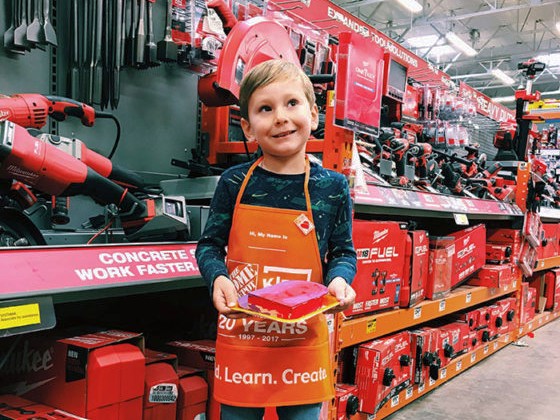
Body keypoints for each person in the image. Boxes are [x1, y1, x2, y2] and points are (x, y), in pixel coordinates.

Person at [195, 59, 357, 420]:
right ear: (248, 127)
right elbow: (208, 246)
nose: (281, 117)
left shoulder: (332, 188)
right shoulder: (235, 183)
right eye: (265, 109)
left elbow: (343, 252)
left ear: (314, 115)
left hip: (302, 341)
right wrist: (217, 277)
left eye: (292, 103)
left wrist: (340, 280)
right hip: (244, 338)